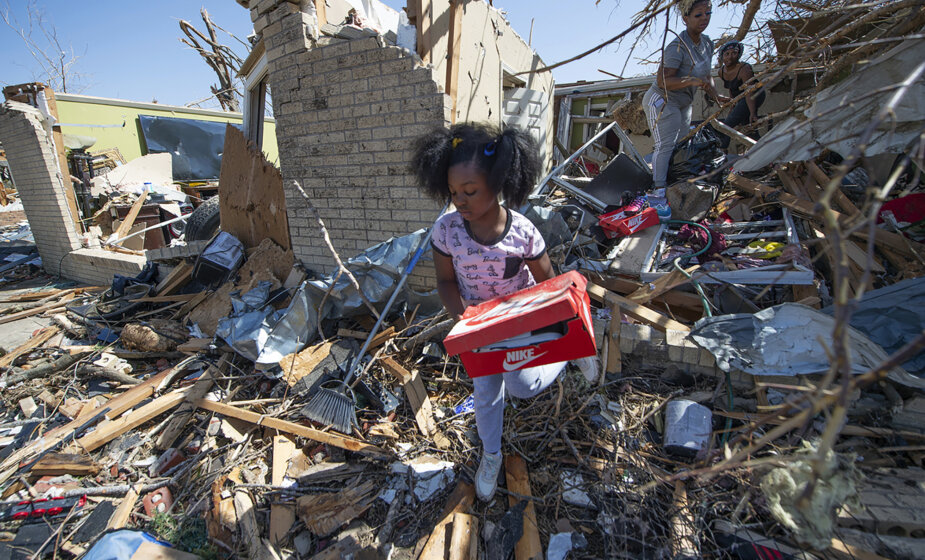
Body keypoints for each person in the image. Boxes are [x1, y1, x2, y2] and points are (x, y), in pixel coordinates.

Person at [410, 122, 598, 502]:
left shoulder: (523, 233)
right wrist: (464, 318)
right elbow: (446, 283)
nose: (459, 201)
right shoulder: (447, 232)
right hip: (479, 327)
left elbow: (551, 284)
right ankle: (491, 456)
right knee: (485, 394)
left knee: (522, 385)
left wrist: (566, 331)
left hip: (522, 322)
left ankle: (570, 354)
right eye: (452, 193)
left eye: (470, 191)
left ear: (497, 185)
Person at [643, 0, 724, 195]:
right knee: (665, 145)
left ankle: (674, 184)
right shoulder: (677, 47)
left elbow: (707, 76)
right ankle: (659, 190)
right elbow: (663, 81)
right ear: (686, 18)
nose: (704, 18)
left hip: (684, 103)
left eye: (708, 13)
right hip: (662, 100)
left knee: (680, 145)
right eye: (698, 15)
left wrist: (716, 95)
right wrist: (691, 81)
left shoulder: (707, 43)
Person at [717, 40, 765, 149]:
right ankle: (765, 154)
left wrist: (753, 113)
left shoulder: (744, 69)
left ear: (738, 55)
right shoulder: (721, 72)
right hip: (741, 98)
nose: (730, 57)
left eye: (734, 53)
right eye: (727, 54)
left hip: (754, 95)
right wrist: (733, 104)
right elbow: (732, 88)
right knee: (749, 129)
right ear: (722, 56)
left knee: (726, 126)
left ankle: (721, 153)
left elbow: (750, 92)